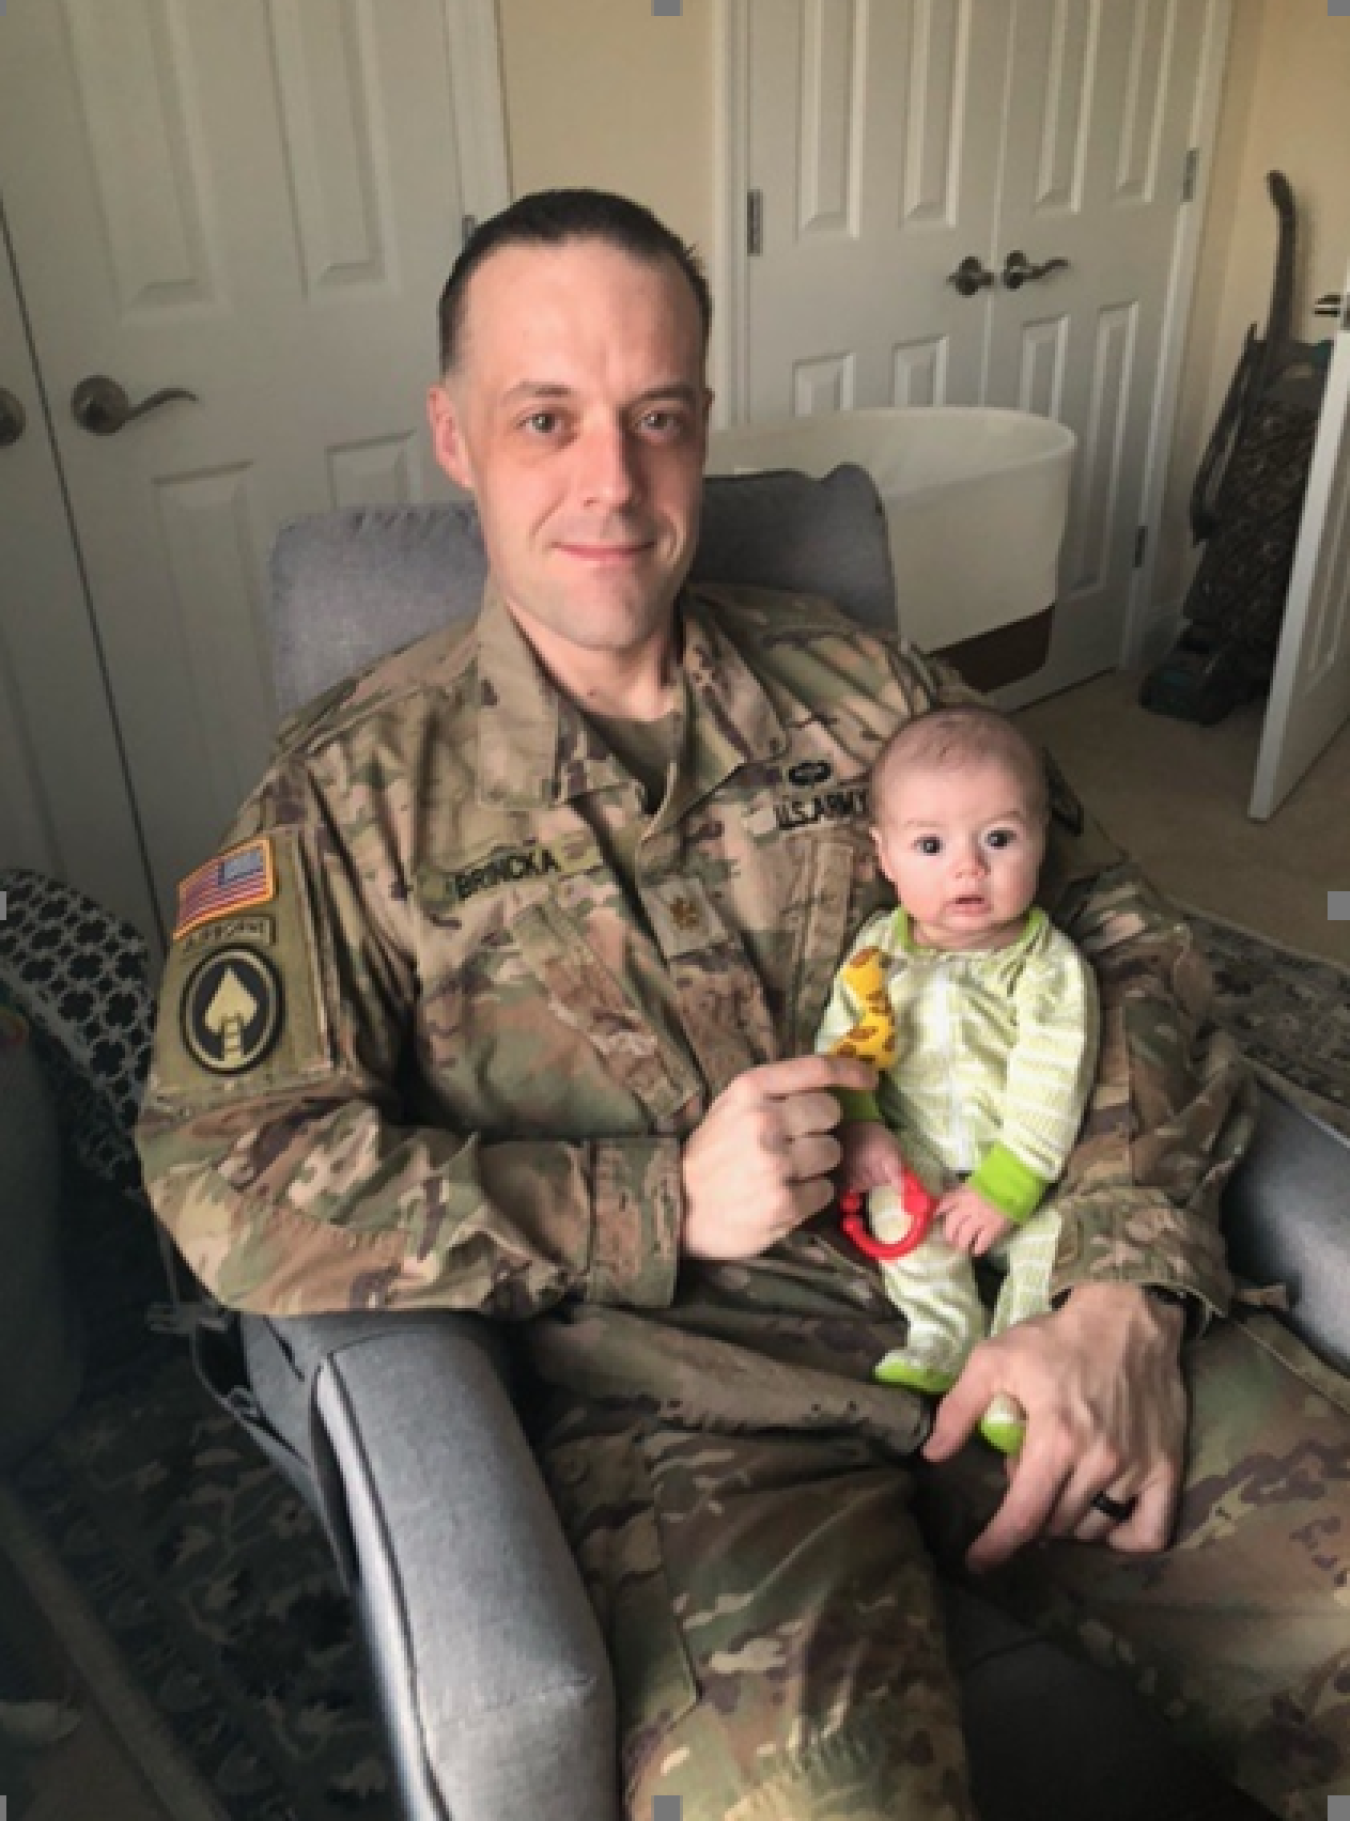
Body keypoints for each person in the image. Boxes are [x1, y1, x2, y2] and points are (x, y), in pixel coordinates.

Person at [136, 188, 1350, 1820]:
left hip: (1022, 1309)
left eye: (658, 419)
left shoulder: (869, 690)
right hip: (693, 1439)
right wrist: (649, 1197)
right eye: (545, 417)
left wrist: (1124, 1283)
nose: (611, 485)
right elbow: (227, 1166)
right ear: (452, 433)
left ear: (705, 426)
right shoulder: (349, 798)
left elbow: (1129, 944)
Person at [817, 706, 1099, 1453]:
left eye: (999, 839)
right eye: (932, 845)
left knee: (1054, 1248)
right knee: (894, 1207)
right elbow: (845, 1044)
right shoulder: (877, 951)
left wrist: (1010, 1185)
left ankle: (1013, 1370)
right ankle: (942, 1334)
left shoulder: (1046, 965)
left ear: (1041, 840)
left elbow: (1053, 1080)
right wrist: (862, 1122)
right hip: (923, 1151)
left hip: (1025, 1169)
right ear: (885, 856)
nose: (968, 867)